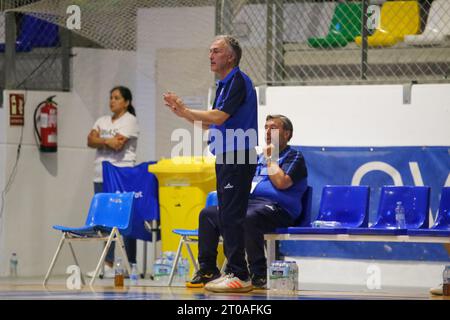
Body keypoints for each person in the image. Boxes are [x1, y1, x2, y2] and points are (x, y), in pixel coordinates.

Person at [163, 35, 258, 293]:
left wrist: (186, 110)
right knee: (226, 215)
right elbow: (210, 122)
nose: (210, 55)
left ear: (230, 56)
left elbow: (218, 116)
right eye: (210, 51)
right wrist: (182, 113)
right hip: (226, 156)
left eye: (216, 51)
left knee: (232, 216)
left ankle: (240, 274)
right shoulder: (223, 85)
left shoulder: (238, 80)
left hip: (239, 155)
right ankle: (232, 270)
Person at [186, 114, 308, 290]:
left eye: (273, 128)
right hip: (250, 203)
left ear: (287, 134)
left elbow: (281, 183)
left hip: (279, 210)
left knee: (247, 216)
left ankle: (257, 273)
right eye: (265, 127)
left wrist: (270, 159)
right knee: (209, 214)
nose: (267, 131)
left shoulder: (294, 156)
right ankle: (208, 270)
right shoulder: (256, 157)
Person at [86, 86, 140, 278]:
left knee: (125, 221)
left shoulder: (130, 121)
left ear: (126, 102)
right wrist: (107, 140)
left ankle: (131, 264)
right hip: (100, 176)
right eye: (111, 97)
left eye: (116, 98)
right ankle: (107, 264)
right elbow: (89, 140)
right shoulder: (102, 120)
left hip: (122, 175)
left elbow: (118, 145)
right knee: (104, 221)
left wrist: (100, 138)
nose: (112, 101)